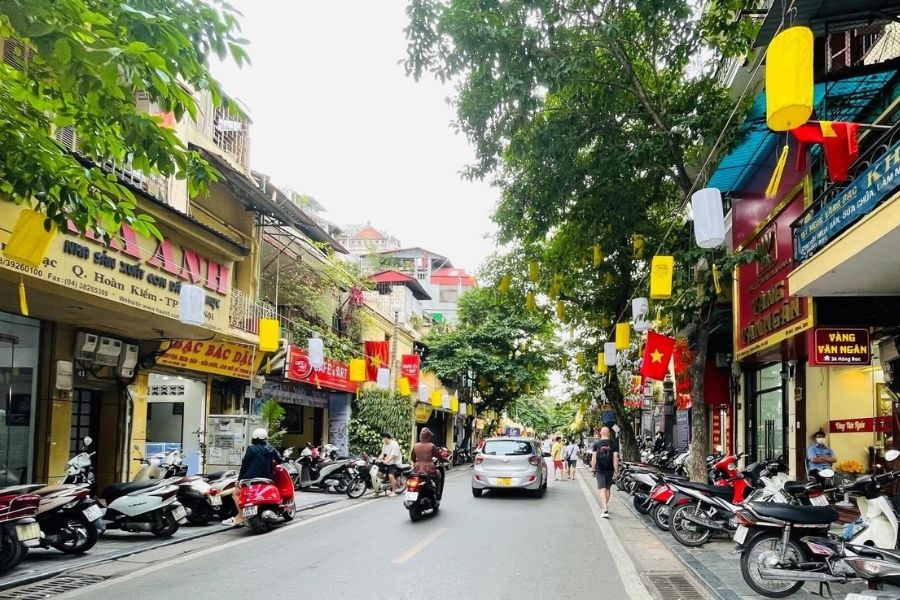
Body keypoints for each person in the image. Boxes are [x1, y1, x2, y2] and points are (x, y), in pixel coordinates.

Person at [232, 428, 281, 526]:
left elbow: (245, 465)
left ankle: (241, 515)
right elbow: (279, 460)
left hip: (250, 478)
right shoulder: (271, 449)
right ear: (265, 438)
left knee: (235, 493)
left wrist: (239, 479)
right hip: (267, 478)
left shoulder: (251, 449)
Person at [591, 426, 619, 518]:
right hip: (610, 469)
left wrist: (593, 468)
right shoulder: (614, 443)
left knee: (602, 488)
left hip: (600, 469)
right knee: (607, 488)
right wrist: (616, 471)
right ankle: (605, 507)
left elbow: (594, 457)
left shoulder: (596, 443)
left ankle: (605, 509)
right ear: (609, 433)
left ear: (601, 433)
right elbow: (615, 458)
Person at [410, 427, 444, 497]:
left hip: (417, 469)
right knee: (438, 474)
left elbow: (412, 458)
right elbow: (439, 457)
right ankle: (437, 492)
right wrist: (445, 460)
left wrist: (417, 462)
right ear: (428, 437)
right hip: (429, 469)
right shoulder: (432, 446)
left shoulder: (416, 445)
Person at [379, 432, 402, 497]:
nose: (383, 440)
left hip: (394, 463)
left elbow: (393, 455)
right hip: (386, 462)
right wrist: (379, 458)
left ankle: (394, 492)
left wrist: (387, 461)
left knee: (391, 476)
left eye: (383, 438)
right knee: (378, 473)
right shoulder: (384, 444)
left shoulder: (394, 444)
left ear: (386, 438)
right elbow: (383, 453)